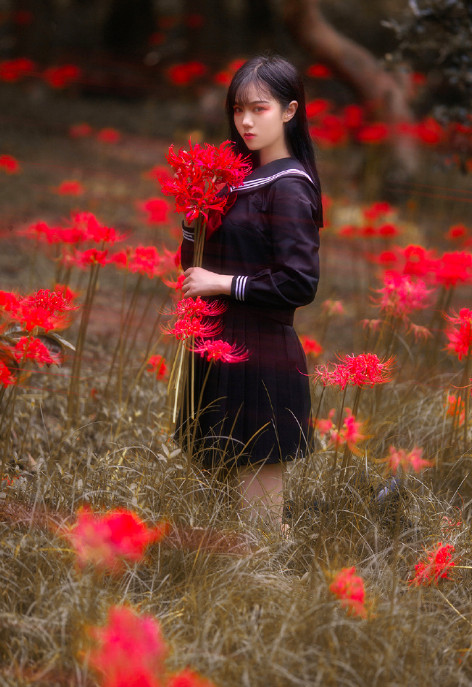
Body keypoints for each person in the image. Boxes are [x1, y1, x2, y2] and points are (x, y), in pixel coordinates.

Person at [179, 54, 323, 529]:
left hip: (260, 352)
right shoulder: (237, 177)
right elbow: (197, 269)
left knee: (258, 527)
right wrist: (191, 224)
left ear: (289, 111)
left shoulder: (288, 186)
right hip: (218, 345)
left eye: (259, 108)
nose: (244, 121)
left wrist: (221, 284)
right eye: (238, 109)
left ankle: (275, 588)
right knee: (218, 515)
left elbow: (299, 282)